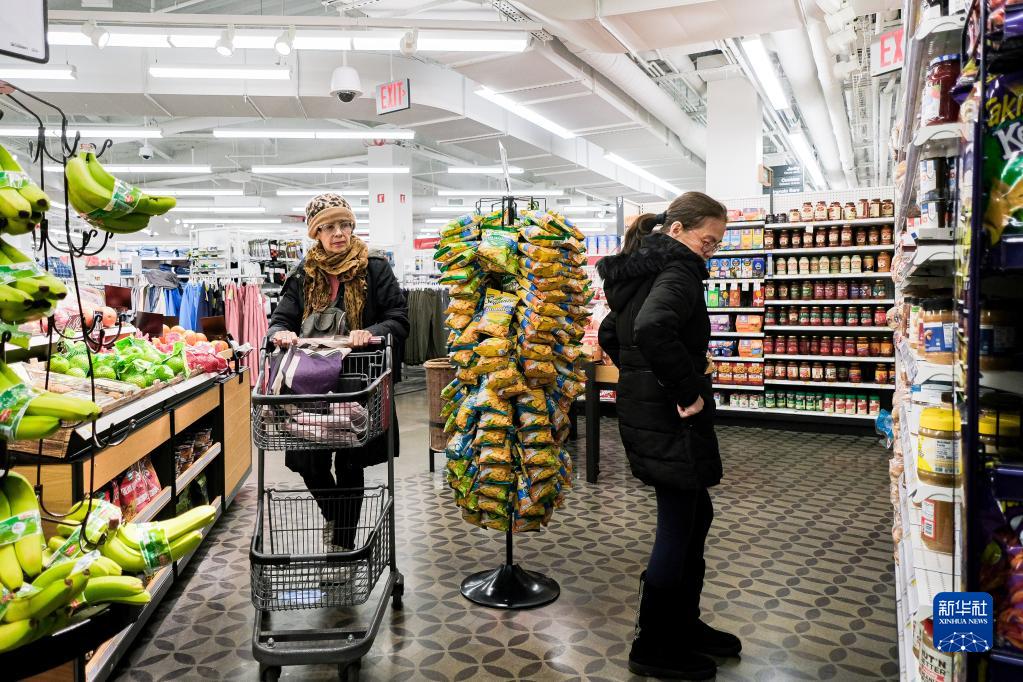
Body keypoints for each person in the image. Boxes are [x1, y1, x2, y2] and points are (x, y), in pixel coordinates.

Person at [596, 192, 740, 680]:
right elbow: (653, 328)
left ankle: (682, 624)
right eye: (708, 241)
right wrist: (686, 390)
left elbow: (611, 333)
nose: (710, 251)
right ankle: (654, 644)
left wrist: (638, 376)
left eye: (717, 244)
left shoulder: (642, 271)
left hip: (650, 414)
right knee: (680, 523)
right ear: (677, 230)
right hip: (671, 419)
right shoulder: (678, 271)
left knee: (697, 514)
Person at [267, 192, 409, 552]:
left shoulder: (374, 268)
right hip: (311, 386)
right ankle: (336, 515)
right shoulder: (303, 274)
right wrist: (280, 333)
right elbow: (280, 320)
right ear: (316, 232)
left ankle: (342, 546)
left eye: (345, 224)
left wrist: (370, 332)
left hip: (358, 382)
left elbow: (399, 319)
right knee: (308, 461)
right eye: (329, 227)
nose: (339, 233)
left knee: (349, 463)